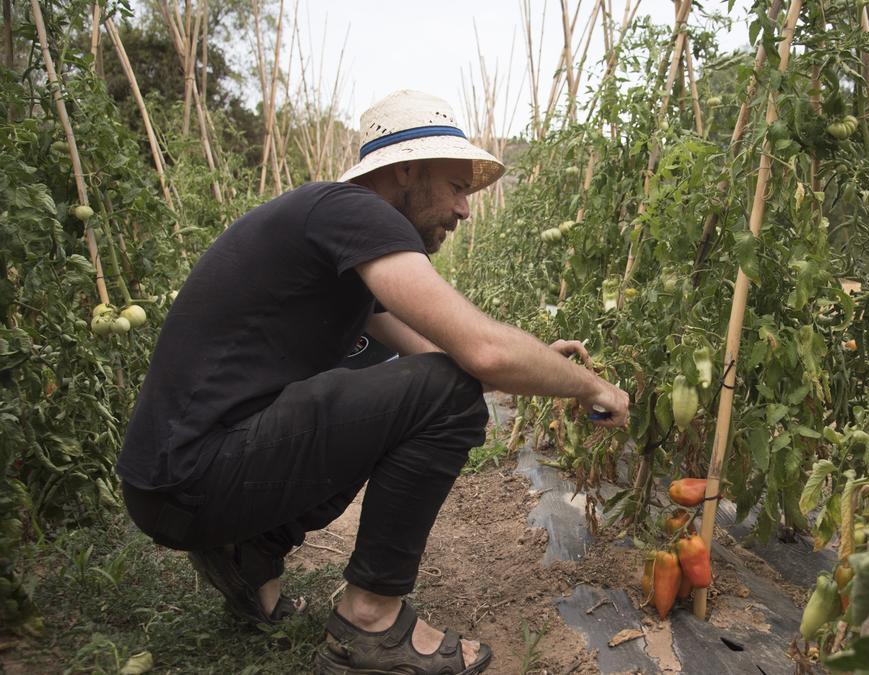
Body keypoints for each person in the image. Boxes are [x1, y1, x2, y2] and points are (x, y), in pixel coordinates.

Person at [116, 90, 630, 675]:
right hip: (193, 479)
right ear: (407, 169)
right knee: (445, 396)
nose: (465, 209)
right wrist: (589, 385)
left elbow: (446, 358)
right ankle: (370, 622)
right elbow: (478, 357)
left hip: (174, 486)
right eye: (458, 187)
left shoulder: (340, 253)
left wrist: (539, 363)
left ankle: (247, 552)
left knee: (422, 390)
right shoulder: (353, 211)